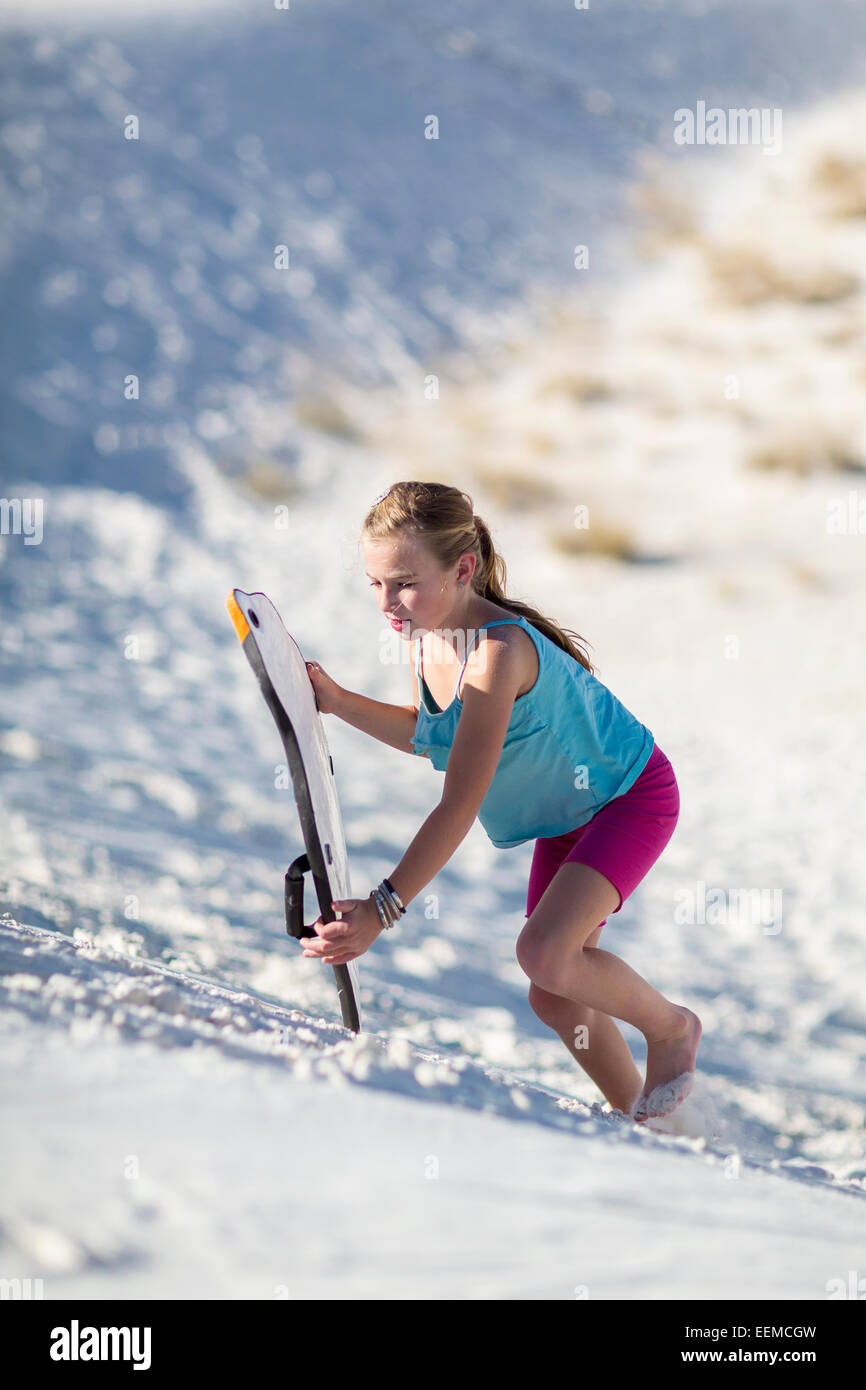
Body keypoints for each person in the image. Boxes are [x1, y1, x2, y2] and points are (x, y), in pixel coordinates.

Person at [303, 480, 700, 1123]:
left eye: (404, 581)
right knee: (555, 996)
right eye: (375, 584)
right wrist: (340, 701)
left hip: (629, 798)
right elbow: (434, 735)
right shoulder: (427, 635)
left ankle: (673, 1029)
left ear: (463, 569)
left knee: (544, 954)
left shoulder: (498, 654)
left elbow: (460, 801)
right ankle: (643, 1119)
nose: (388, 601)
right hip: (565, 815)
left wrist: (383, 908)